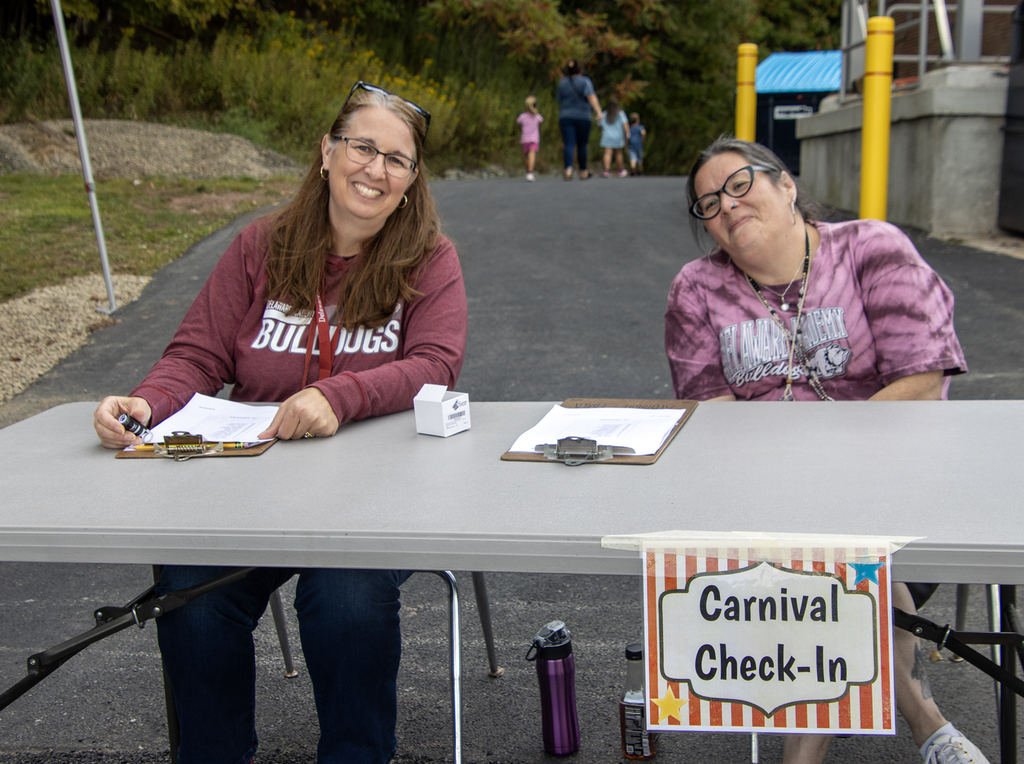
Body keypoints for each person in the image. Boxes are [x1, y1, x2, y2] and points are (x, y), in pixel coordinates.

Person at [93, 81, 468, 764]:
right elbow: (198, 355)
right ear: (327, 152)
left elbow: (436, 365)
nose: (375, 170)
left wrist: (341, 395)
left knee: (346, 599)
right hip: (251, 487)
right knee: (192, 598)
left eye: (397, 160)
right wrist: (146, 401)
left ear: (413, 181)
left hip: (379, 492)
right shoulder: (259, 246)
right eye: (362, 147)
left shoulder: (431, 258)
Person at [665, 136, 988, 764]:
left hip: (898, 480)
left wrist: (829, 461)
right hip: (767, 496)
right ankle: (926, 721)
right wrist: (791, 479)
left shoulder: (871, 248)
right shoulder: (696, 290)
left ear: (786, 185)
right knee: (822, 546)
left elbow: (922, 379)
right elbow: (711, 410)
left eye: (739, 184)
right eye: (708, 203)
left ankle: (813, 752)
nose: (727, 206)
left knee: (839, 545)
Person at [556, 59, 602, 181]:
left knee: (569, 143)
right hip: (583, 117)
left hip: (565, 116)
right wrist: (598, 112)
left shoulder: (562, 83)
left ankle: (568, 169)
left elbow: (559, 99)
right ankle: (582, 171)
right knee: (582, 145)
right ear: (580, 69)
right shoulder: (585, 81)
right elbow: (591, 97)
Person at [598, 96, 630, 178]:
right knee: (618, 153)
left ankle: (606, 171)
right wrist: (627, 132)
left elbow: (600, 126)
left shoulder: (604, 114)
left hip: (607, 136)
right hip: (618, 136)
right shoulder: (620, 113)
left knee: (607, 153)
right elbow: (625, 124)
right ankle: (620, 171)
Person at [516, 94, 543, 181]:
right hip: (534, 139)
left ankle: (528, 171)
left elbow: (519, 126)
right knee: (532, 155)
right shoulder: (537, 116)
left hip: (524, 139)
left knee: (526, 157)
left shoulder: (522, 116)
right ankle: (530, 173)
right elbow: (540, 125)